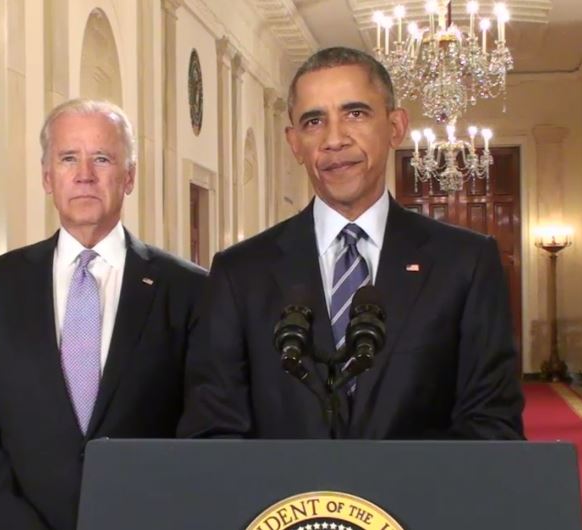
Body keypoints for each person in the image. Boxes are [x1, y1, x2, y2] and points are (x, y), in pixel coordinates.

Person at [178, 47, 523, 440]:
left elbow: (492, 425)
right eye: (314, 121)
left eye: (355, 114)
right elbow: (213, 430)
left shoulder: (466, 263)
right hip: (285, 500)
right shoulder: (239, 273)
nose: (334, 139)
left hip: (419, 499)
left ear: (395, 127)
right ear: (294, 143)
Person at [0, 99, 206, 530]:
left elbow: (203, 425)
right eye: (69, 158)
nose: (84, 174)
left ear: (129, 177)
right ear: (47, 177)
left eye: (102, 159)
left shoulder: (190, 290)